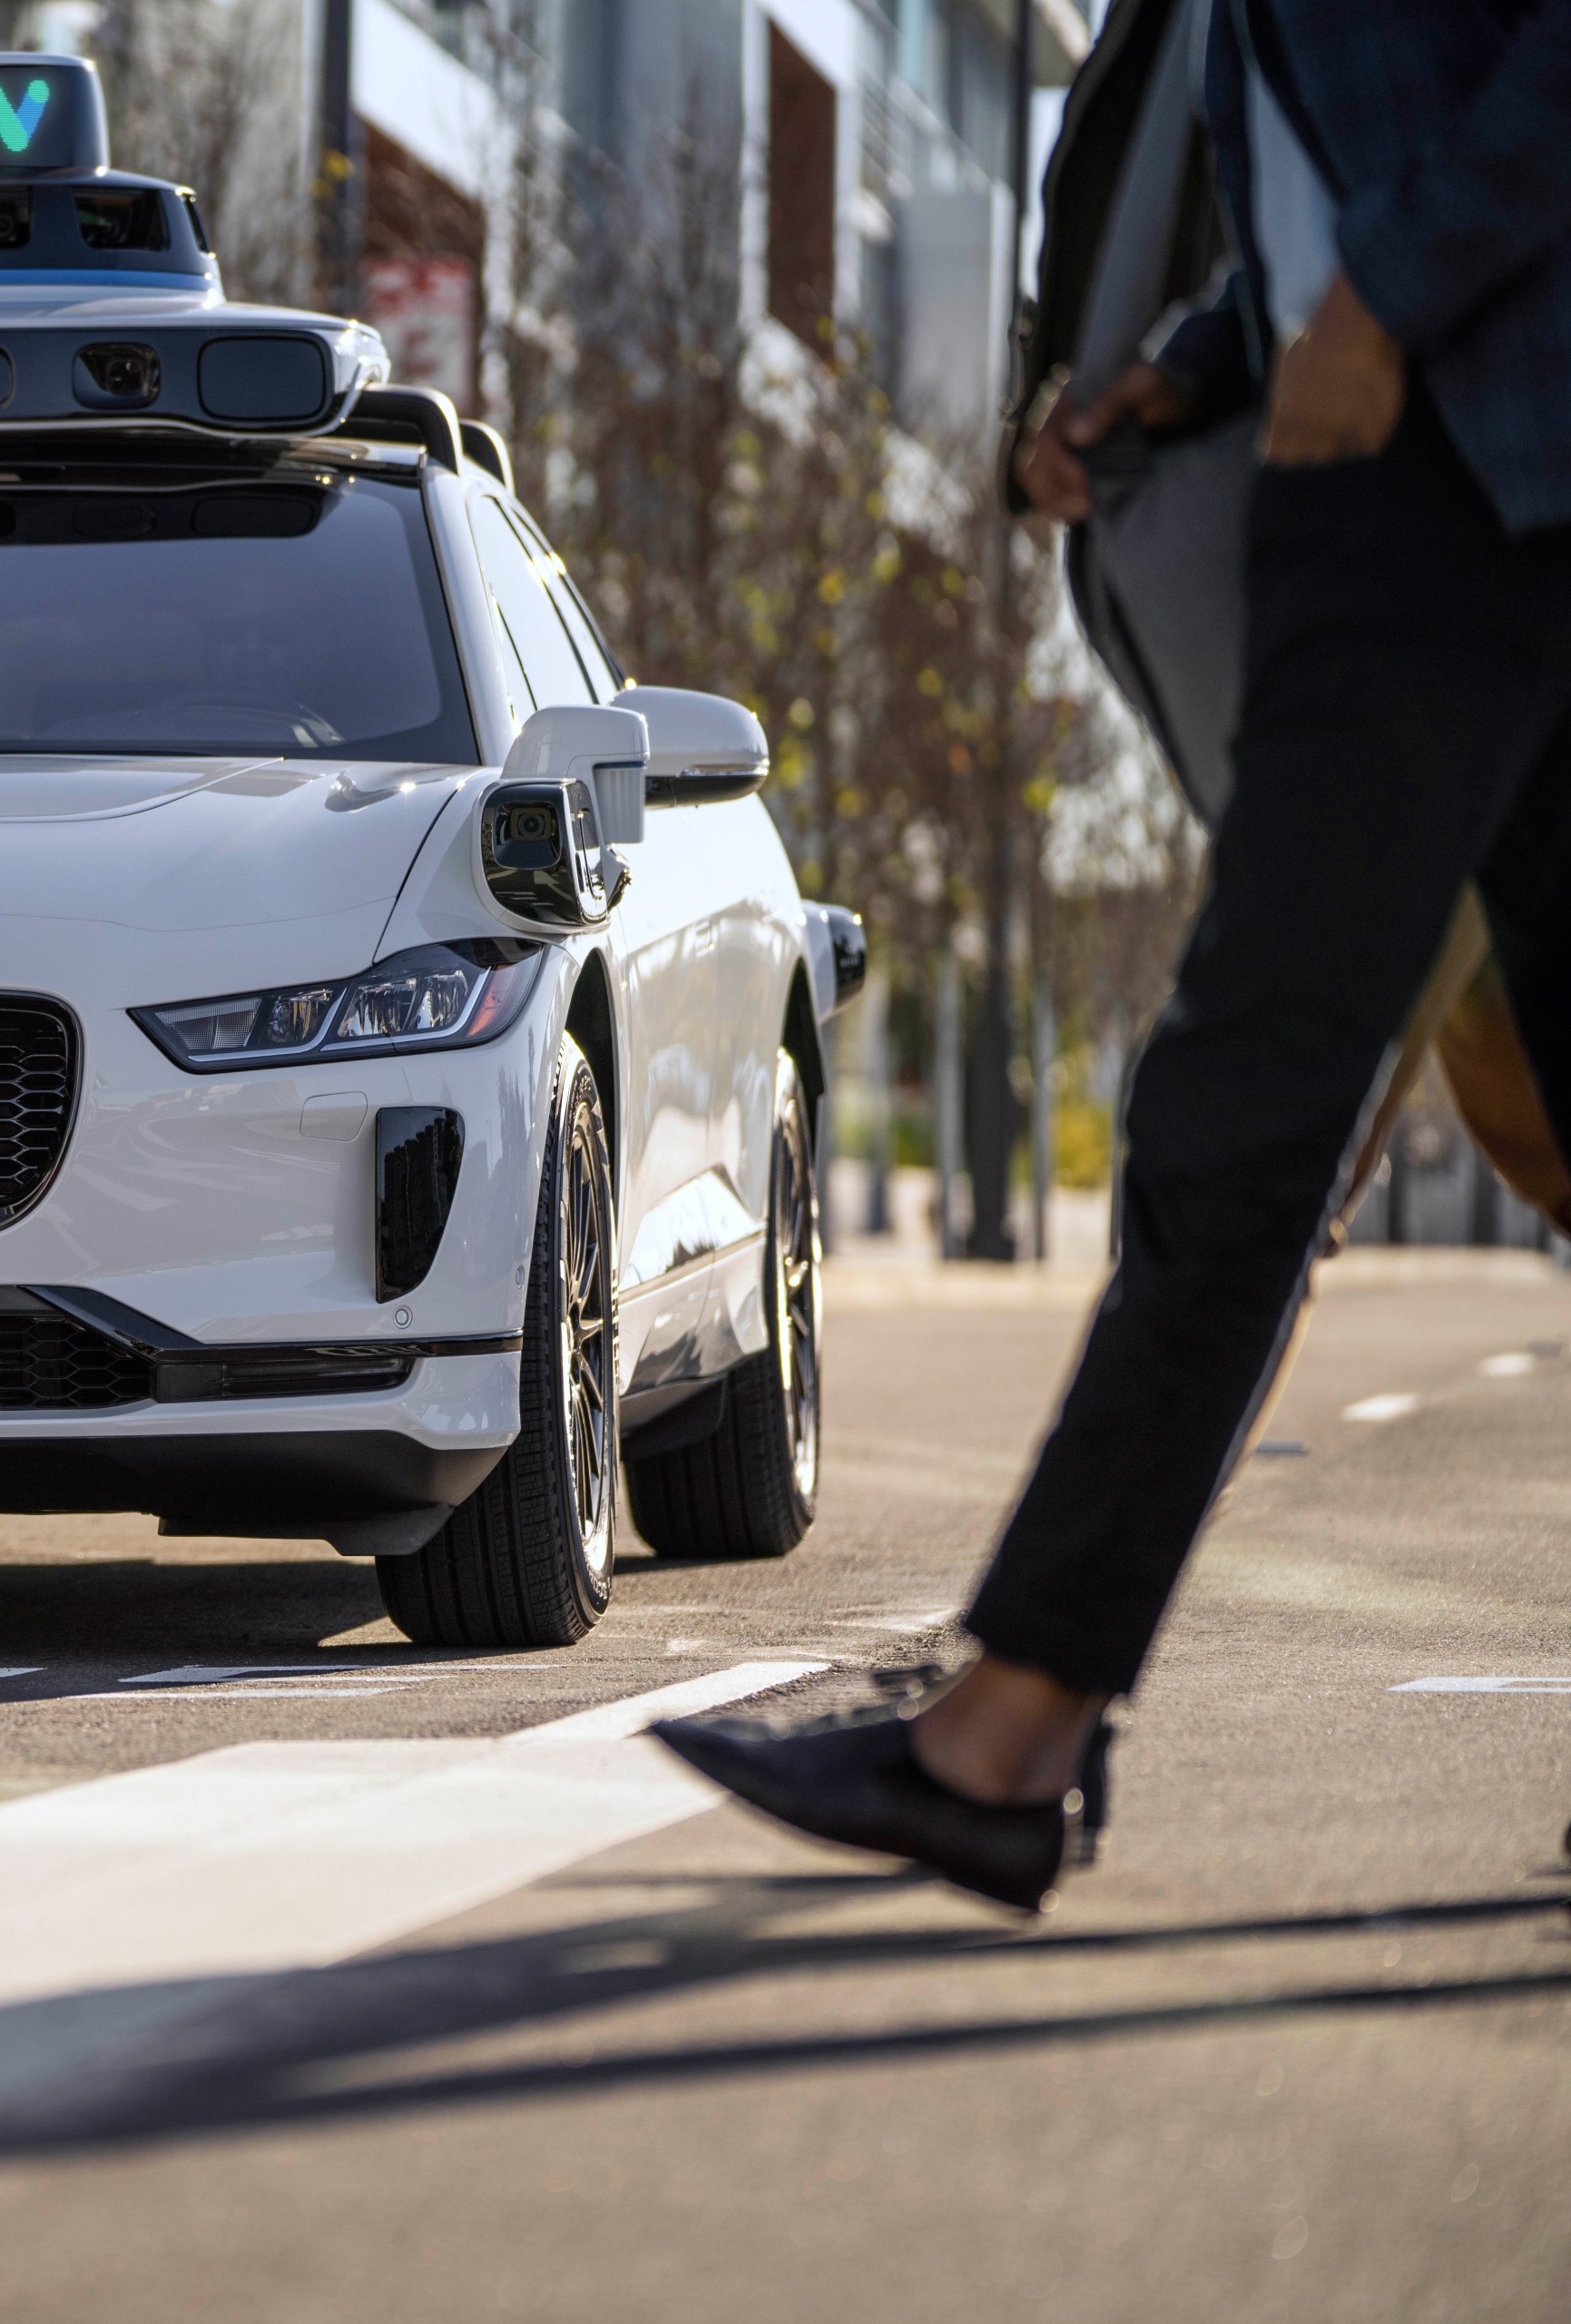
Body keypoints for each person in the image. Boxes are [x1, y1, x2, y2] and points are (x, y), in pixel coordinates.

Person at [657, 0, 1571, 1910]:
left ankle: (1009, 1730)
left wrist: (1375, 312)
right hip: (1442, 449)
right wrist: (1188, 368)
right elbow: (1362, 163)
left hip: (1444, 482)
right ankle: (1016, 1724)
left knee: (1247, 1107)